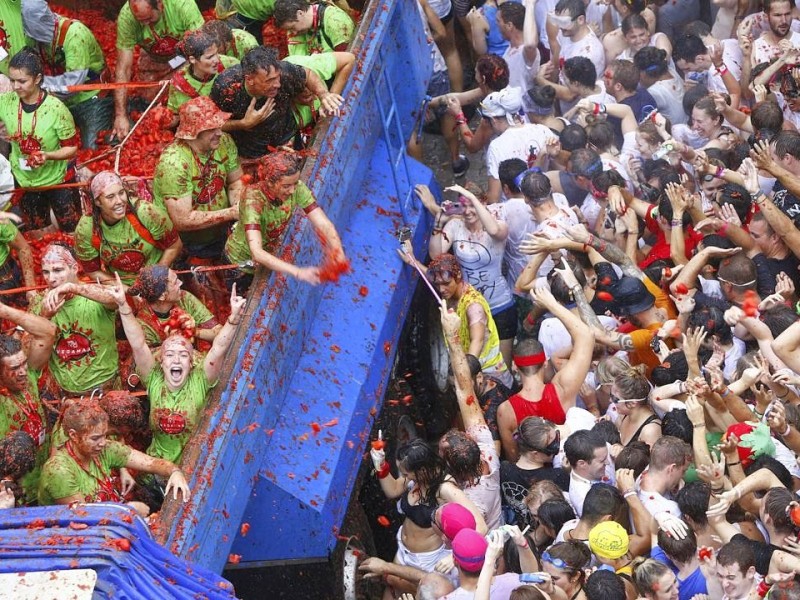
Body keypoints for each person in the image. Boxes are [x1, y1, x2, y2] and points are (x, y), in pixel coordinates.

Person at [111, 272, 245, 465]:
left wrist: (233, 319)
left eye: (183, 355)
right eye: (170, 355)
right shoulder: (153, 379)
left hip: (195, 465)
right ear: (161, 362)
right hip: (157, 469)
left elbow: (218, 348)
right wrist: (123, 306)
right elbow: (138, 344)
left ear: (192, 363)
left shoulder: (201, 379)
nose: (176, 360)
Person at [153, 96, 243, 306]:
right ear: (193, 133)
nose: (219, 132)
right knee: (211, 300)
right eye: (211, 129)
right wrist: (231, 213)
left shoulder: (224, 142)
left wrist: (237, 209)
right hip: (185, 244)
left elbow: (235, 181)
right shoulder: (174, 163)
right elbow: (182, 220)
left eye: (219, 126)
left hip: (221, 232)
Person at [496, 268, 594, 460]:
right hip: (568, 464)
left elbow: (514, 457)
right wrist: (552, 305)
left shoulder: (505, 410)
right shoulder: (562, 388)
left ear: (515, 367)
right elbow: (586, 336)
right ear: (545, 363)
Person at [370, 436, 486, 595]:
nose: (404, 476)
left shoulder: (445, 489)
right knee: (393, 589)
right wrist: (380, 465)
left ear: (422, 471)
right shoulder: (415, 478)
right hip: (404, 551)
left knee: (412, 593)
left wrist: (455, 556)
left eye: (406, 473)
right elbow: (393, 490)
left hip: (428, 561)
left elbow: (480, 525)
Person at [38, 398, 190, 515]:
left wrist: (174, 472)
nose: (103, 443)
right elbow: (83, 516)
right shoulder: (58, 471)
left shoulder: (104, 449)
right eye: (95, 438)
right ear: (73, 436)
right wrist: (127, 510)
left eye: (105, 435)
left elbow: (150, 463)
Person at [223, 150, 346, 290]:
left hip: (267, 251)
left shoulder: (297, 187)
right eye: (286, 186)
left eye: (295, 183)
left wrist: (338, 251)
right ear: (269, 182)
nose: (293, 191)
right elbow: (256, 252)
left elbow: (323, 223)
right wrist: (298, 272)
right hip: (240, 265)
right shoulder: (253, 200)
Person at [428, 182, 516, 369]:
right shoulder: (455, 226)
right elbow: (436, 256)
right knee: (475, 363)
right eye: (463, 205)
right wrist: (438, 223)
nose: (467, 211)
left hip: (500, 304)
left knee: (501, 366)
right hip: (469, 304)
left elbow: (494, 231)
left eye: (472, 205)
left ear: (482, 202)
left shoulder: (497, 224)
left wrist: (472, 198)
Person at [210, 45, 343, 158]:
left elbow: (307, 74)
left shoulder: (282, 71)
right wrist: (244, 123)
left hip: (287, 135)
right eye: (269, 81)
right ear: (249, 79)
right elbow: (213, 123)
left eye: (277, 78)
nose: (277, 84)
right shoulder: (226, 88)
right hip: (252, 152)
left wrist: (323, 94)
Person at [0, 50, 80, 234]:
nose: (15, 86)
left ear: (37, 79)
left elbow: (71, 148)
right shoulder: (6, 102)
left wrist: (48, 155)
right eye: (12, 80)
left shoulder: (56, 110)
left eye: (22, 81)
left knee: (72, 230)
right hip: (24, 179)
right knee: (38, 232)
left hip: (58, 180)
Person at [32, 244, 121, 401]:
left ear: (74, 268)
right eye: (46, 272)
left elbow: (115, 299)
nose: (51, 279)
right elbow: (29, 356)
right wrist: (44, 317)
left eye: (58, 270)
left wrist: (73, 288)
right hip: (63, 394)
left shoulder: (94, 294)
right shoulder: (40, 301)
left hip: (105, 389)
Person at [21, 0, 112, 149]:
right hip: (59, 99)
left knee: (93, 149)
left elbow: (73, 83)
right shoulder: (32, 37)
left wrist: (38, 87)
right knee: (39, 143)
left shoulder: (74, 34)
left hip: (90, 97)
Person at [113, 0, 205, 139]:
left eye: (149, 18)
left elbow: (202, 49)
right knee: (150, 102)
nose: (145, 24)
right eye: (140, 21)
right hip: (154, 58)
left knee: (188, 99)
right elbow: (123, 68)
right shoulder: (127, 17)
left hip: (186, 54)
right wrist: (120, 115)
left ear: (160, 5)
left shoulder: (182, 5)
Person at [74, 170, 182, 286]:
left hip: (160, 278)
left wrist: (155, 277)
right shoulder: (87, 228)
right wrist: (126, 290)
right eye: (110, 197)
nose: (119, 201)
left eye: (121, 193)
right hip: (121, 285)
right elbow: (92, 271)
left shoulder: (145, 212)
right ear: (98, 202)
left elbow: (174, 245)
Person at [0, 301, 55, 504]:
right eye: (14, 368)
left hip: (45, 479)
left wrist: (5, 311)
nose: (22, 371)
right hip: (15, 491)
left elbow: (48, 332)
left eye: (23, 363)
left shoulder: (28, 375)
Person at [127, 265, 221, 349]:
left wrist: (193, 331)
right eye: (175, 282)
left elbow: (220, 333)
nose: (180, 283)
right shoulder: (144, 322)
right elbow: (148, 361)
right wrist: (172, 340)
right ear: (162, 296)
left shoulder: (185, 298)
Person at [166, 29, 239, 115]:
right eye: (209, 57)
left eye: (216, 53)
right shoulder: (180, 84)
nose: (216, 60)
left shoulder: (230, 64)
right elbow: (176, 115)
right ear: (192, 59)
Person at [273, 0, 355, 56]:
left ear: (300, 13)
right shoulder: (296, 29)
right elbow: (299, 65)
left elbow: (347, 59)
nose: (293, 33)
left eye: (292, 27)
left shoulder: (335, 21)